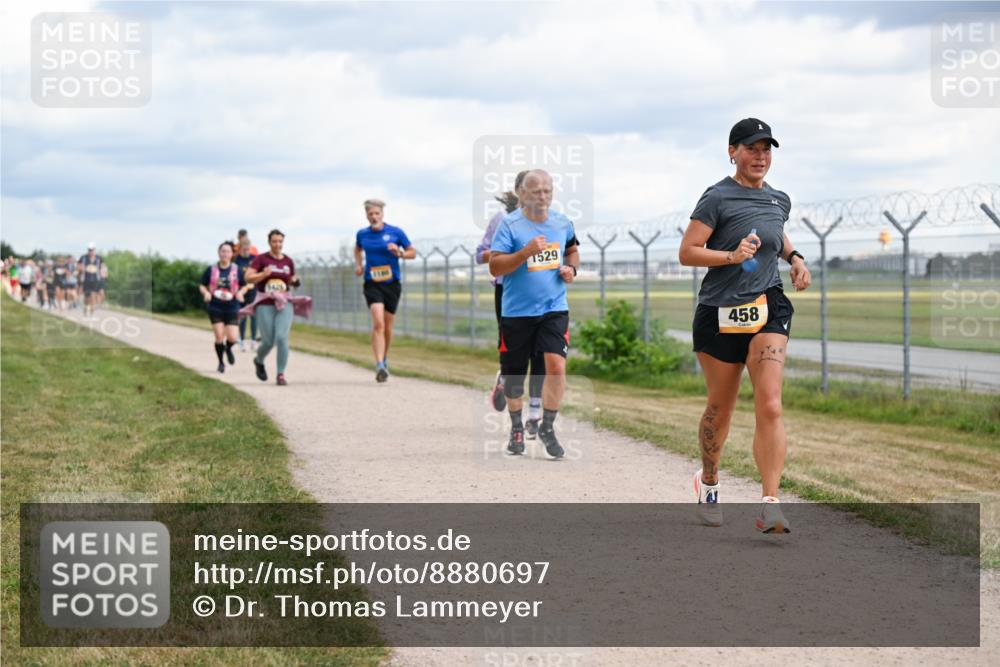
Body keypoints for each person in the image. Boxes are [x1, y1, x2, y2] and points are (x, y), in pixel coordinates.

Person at [679, 118, 812, 533]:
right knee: (721, 408)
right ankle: (710, 480)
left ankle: (771, 503)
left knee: (770, 403)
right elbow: (688, 252)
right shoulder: (717, 197)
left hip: (767, 304)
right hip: (719, 311)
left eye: (766, 149)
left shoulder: (779, 200)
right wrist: (731, 257)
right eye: (751, 149)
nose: (760, 157)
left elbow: (778, 235)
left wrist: (795, 258)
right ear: (732, 152)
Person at [489, 170, 580, 459]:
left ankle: (547, 426)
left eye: (547, 191)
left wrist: (571, 269)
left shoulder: (562, 223)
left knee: (556, 365)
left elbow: (572, 250)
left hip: (554, 308)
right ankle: (516, 428)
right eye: (536, 191)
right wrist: (526, 252)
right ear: (523, 194)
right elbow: (495, 267)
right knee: (515, 374)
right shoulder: (510, 225)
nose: (543, 196)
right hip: (516, 312)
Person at [477, 171, 548, 438]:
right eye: (531, 188)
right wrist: (505, 253)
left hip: (538, 293)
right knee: (512, 347)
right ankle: (506, 377)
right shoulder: (502, 220)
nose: (537, 193)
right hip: (506, 291)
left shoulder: (545, 220)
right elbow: (480, 254)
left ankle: (533, 413)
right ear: (520, 191)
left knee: (539, 351)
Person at [354, 198, 415, 382]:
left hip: (392, 284)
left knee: (387, 327)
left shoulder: (395, 232)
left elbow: (412, 252)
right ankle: (379, 364)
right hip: (372, 283)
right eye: (370, 214)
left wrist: (400, 253)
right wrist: (358, 265)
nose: (373, 217)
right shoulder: (362, 234)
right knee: (378, 324)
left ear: (382, 214)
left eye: (376, 213)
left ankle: (384, 358)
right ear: (366, 215)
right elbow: (357, 249)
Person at [242, 229, 311, 386]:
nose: (278, 244)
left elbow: (291, 278)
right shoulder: (261, 259)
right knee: (268, 341)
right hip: (265, 302)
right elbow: (248, 277)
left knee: (281, 337)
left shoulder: (288, 261)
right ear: (269, 242)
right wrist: (263, 275)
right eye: (274, 241)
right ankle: (259, 360)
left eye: (280, 241)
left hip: (285, 302)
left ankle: (280, 374)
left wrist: (295, 282)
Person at [198, 242, 250, 373]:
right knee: (219, 337)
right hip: (215, 306)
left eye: (228, 251)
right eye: (223, 251)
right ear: (219, 253)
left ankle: (229, 348)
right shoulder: (211, 269)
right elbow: (202, 285)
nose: (225, 254)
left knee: (232, 337)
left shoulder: (236, 269)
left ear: (232, 254)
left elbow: (245, 285)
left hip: (232, 306)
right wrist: (206, 293)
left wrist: (240, 293)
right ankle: (221, 362)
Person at [233, 237, 258, 351]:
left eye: (248, 249)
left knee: (254, 316)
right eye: (244, 249)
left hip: (253, 291)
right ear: (240, 248)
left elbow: (259, 273)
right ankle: (241, 340)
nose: (246, 251)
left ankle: (253, 341)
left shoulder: (255, 259)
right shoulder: (236, 260)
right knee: (242, 316)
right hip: (241, 292)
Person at [78, 242, 104, 319]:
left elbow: (102, 267)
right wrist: (81, 269)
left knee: (93, 296)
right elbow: (78, 266)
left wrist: (102, 275)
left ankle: (92, 314)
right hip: (86, 280)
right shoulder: (83, 258)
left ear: (94, 250)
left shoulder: (99, 258)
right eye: (89, 250)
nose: (91, 251)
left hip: (96, 280)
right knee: (87, 298)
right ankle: (86, 313)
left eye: (92, 250)